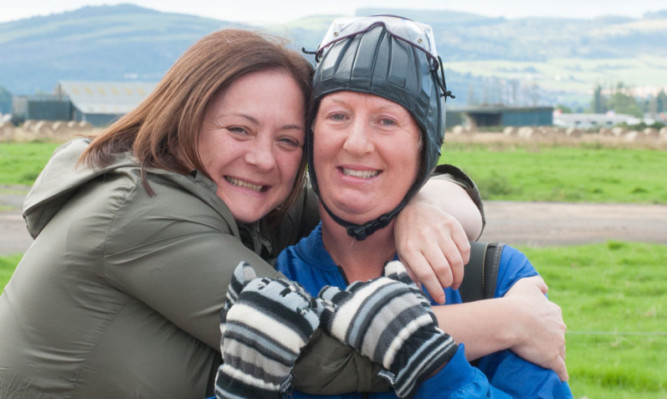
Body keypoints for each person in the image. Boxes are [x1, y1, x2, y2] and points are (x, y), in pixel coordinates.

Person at [0, 28, 484, 398]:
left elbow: (359, 211)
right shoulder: (145, 211)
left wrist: (422, 204)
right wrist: (508, 321)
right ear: (184, 120)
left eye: (288, 140)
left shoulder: (244, 201)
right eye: (239, 130)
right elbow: (313, 358)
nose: (263, 159)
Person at [215, 15, 572, 398]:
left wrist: (433, 364)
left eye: (386, 121)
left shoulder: (493, 280)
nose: (356, 143)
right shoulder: (270, 287)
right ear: (312, 136)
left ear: (424, 148)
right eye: (338, 116)